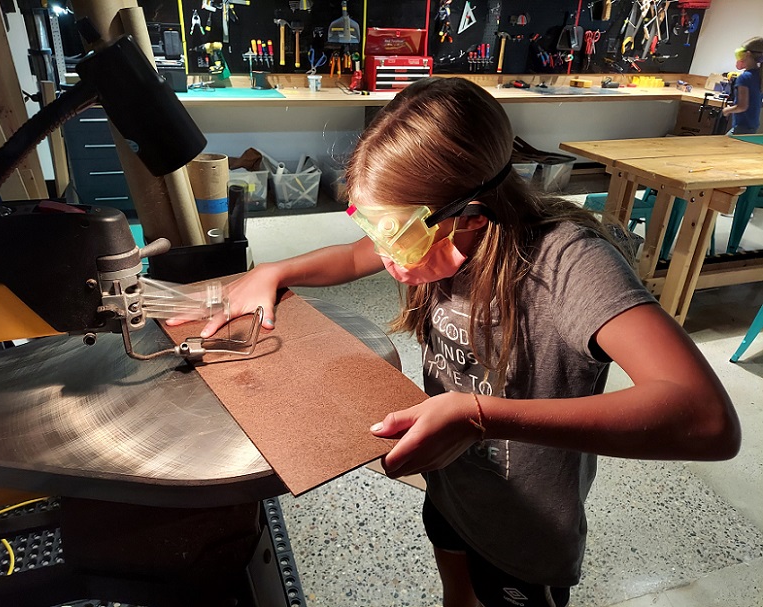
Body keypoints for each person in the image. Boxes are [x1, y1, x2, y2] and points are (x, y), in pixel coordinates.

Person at [168, 78, 741, 607]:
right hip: (451, 489)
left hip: (524, 528)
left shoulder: (567, 264)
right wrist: (275, 271)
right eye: (371, 225)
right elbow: (350, 255)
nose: (384, 256)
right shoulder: (429, 238)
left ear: (474, 215)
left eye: (396, 236)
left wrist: (478, 416)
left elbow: (707, 419)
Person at [723, 36, 763, 135]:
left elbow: (742, 106)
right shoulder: (760, 75)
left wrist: (727, 110)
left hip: (741, 127)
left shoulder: (744, 78)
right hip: (752, 126)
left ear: (748, 54)